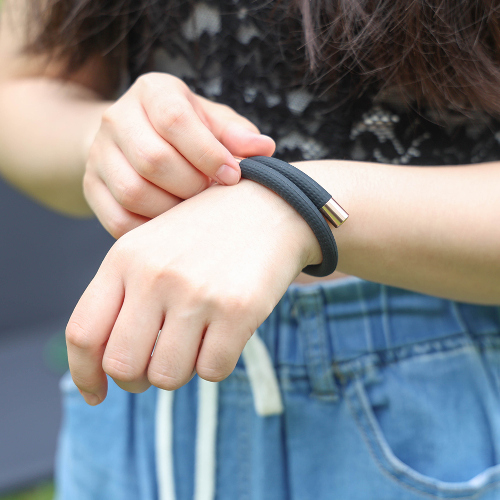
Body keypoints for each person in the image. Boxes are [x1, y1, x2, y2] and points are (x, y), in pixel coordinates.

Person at [1, 0, 500, 498]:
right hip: (150, 365)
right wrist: (114, 143)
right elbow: (21, 88)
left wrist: (300, 212)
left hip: (444, 386)